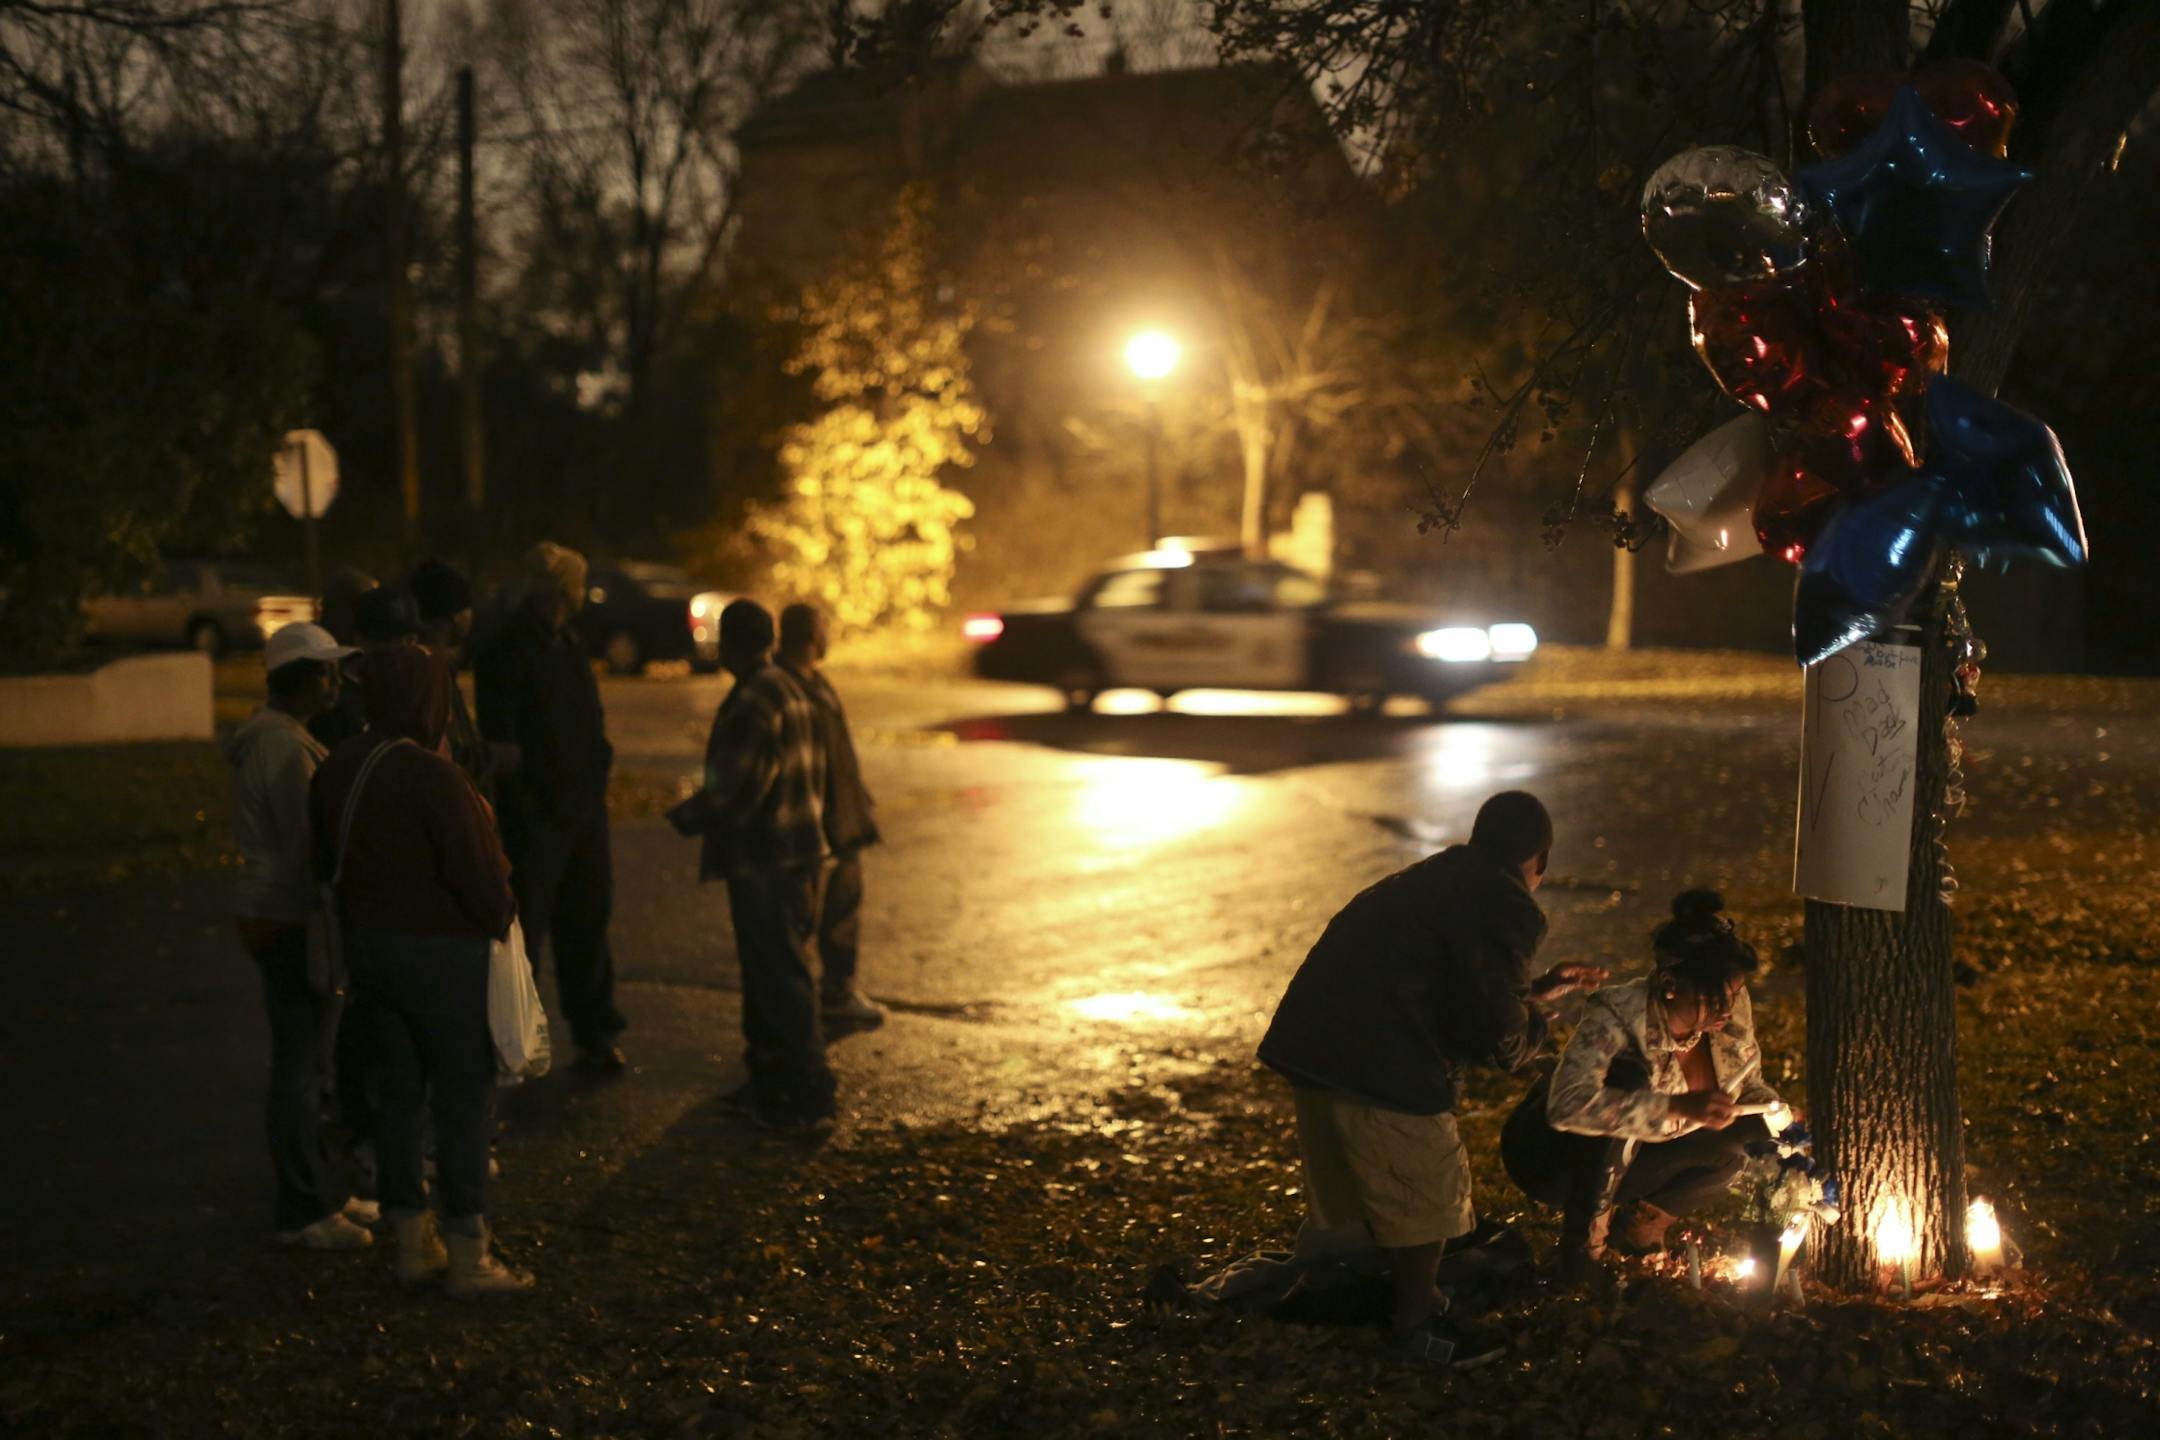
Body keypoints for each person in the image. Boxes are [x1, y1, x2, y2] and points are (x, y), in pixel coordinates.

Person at [1256, 791, 1606, 1367]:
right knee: (1432, 1195)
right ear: (1539, 860)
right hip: (1381, 1061)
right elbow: (1500, 1039)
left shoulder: (1441, 876)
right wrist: (1536, 1028)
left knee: (1354, 1198)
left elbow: (1456, 987)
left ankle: (1340, 1296)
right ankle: (1416, 1324)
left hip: (1317, 1048)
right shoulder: (1508, 903)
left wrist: (1534, 992)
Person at [311, 645, 531, 1297]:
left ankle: (412, 1242)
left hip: (370, 957)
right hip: (442, 957)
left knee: (398, 1101)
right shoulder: (434, 777)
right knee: (464, 1102)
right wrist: (503, 916)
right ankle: (469, 1251)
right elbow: (481, 879)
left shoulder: (337, 768)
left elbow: (322, 859)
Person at [1502, 889, 1782, 1280]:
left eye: (1734, 994)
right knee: (1629, 1076)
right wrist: (1676, 1107)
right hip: (1553, 1156)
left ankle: (1637, 1228)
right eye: (1716, 996)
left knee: (1747, 1139)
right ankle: (1582, 1249)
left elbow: (1747, 1081)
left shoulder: (1727, 1009)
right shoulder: (1617, 1013)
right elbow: (1568, 1104)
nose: (1728, 1008)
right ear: (1670, 982)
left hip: (1639, 1155)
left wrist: (1781, 1117)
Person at [225, 622, 374, 1250]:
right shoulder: (284, 749)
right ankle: (303, 1207)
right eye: (327, 672)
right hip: (287, 914)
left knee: (307, 1058)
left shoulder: (277, 738)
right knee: (300, 1061)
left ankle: (319, 1193)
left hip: (278, 910)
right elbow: (306, 840)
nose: (337, 683)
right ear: (303, 678)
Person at [673, 599, 836, 1133]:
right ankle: (771, 1085)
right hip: (802, 853)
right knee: (781, 972)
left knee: (778, 977)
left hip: (766, 860)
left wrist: (692, 813)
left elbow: (741, 787)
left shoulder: (752, 700)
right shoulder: (793, 688)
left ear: (731, 645)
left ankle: (806, 1095)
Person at [474, 541, 627, 1074]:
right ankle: (515, 1042)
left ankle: (594, 1029)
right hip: (537, 816)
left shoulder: (566, 642)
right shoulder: (512, 649)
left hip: (580, 810)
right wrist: (535, 799)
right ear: (565, 591)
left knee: (587, 921)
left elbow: (585, 720)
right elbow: (509, 738)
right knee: (528, 934)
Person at [776, 603, 886, 1029]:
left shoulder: (816, 683)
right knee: (812, 917)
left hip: (842, 822)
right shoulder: (789, 687)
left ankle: (831, 992)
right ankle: (814, 1004)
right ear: (811, 636)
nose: (829, 638)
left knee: (840, 907)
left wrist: (857, 802)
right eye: (825, 629)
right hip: (818, 830)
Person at [408, 558, 509, 806]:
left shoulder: (422, 667)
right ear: (456, 616)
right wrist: (496, 757)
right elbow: (446, 756)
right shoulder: (430, 673)